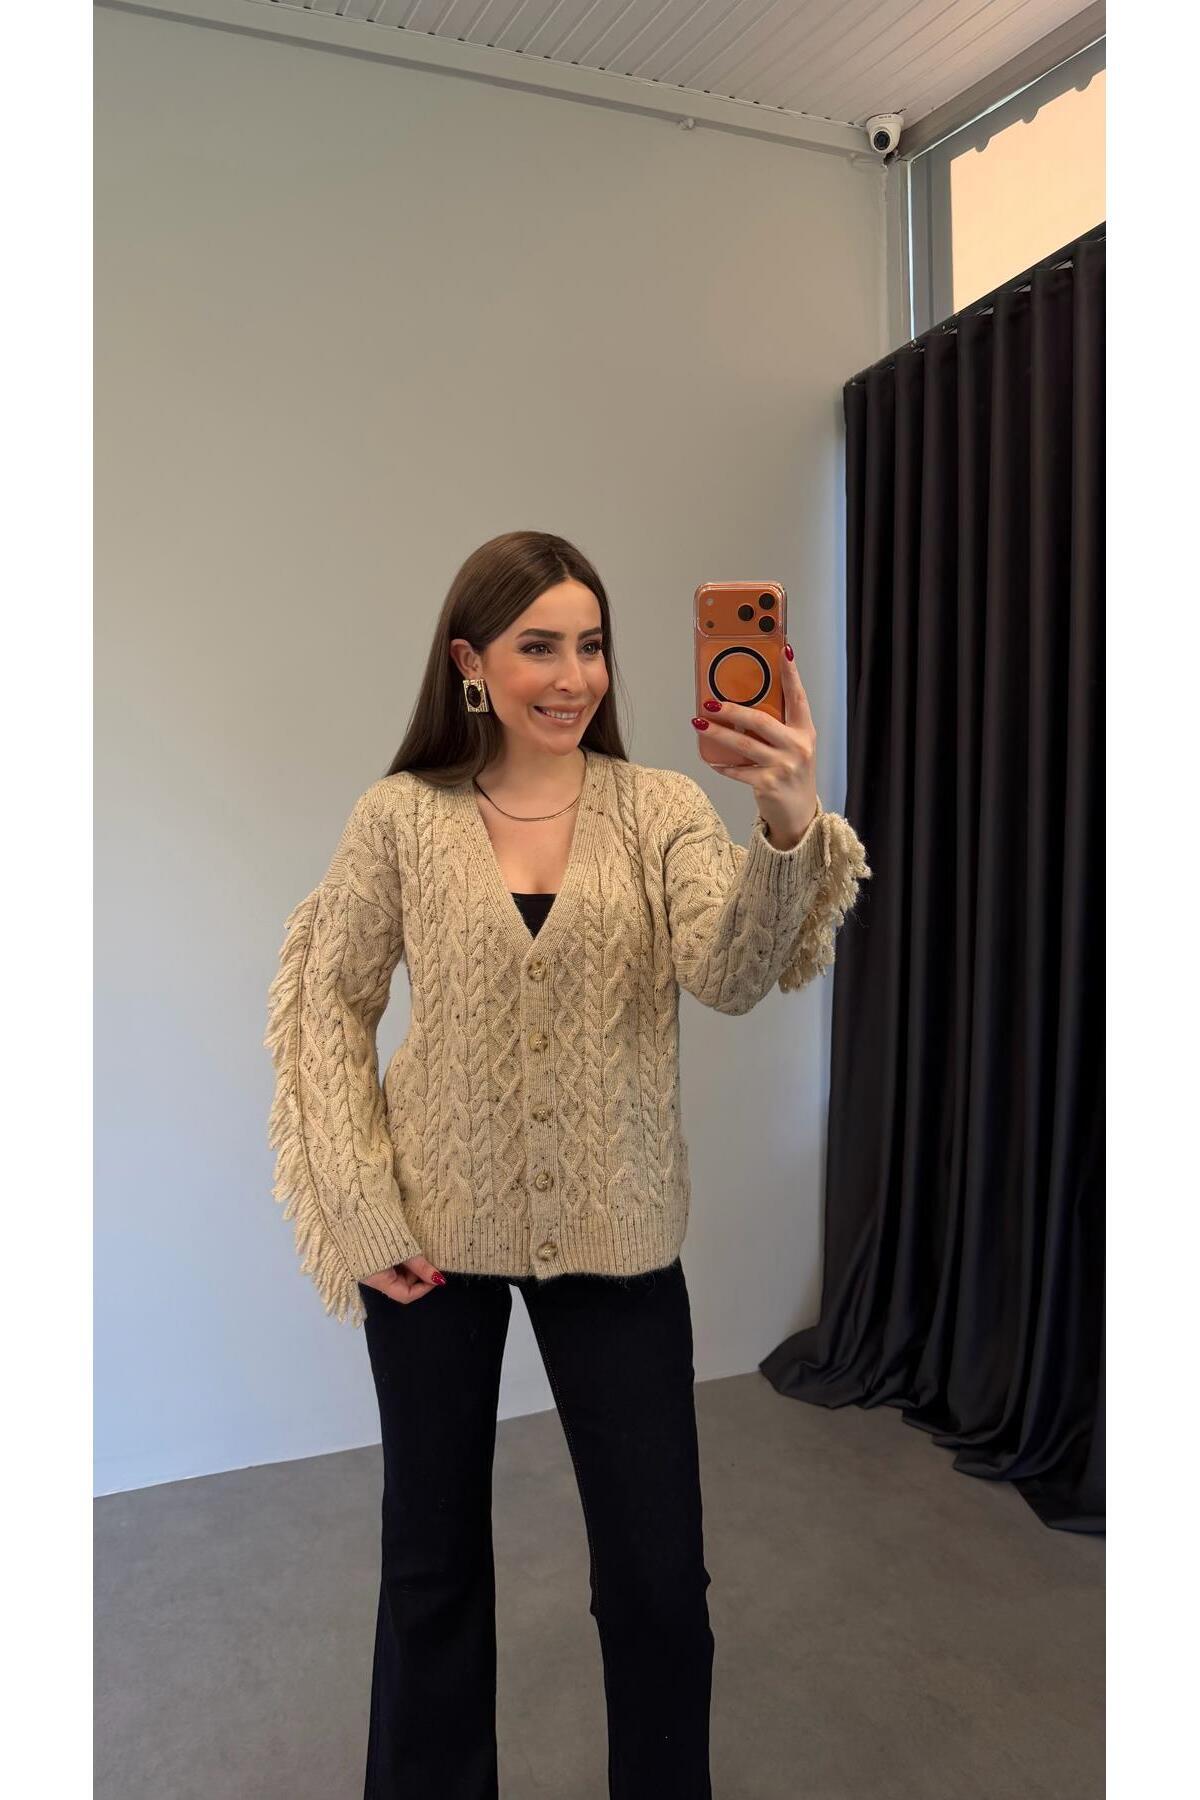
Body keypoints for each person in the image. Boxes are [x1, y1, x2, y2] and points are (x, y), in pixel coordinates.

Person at [263, 530, 871, 1798]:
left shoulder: (659, 810)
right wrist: (361, 1211)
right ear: (469, 661)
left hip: (620, 1229)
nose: (574, 675)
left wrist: (786, 819)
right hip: (430, 1237)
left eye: (591, 645)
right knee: (430, 1566)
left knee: (658, 1578)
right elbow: (328, 1007)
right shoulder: (399, 818)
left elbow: (731, 974)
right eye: (539, 645)